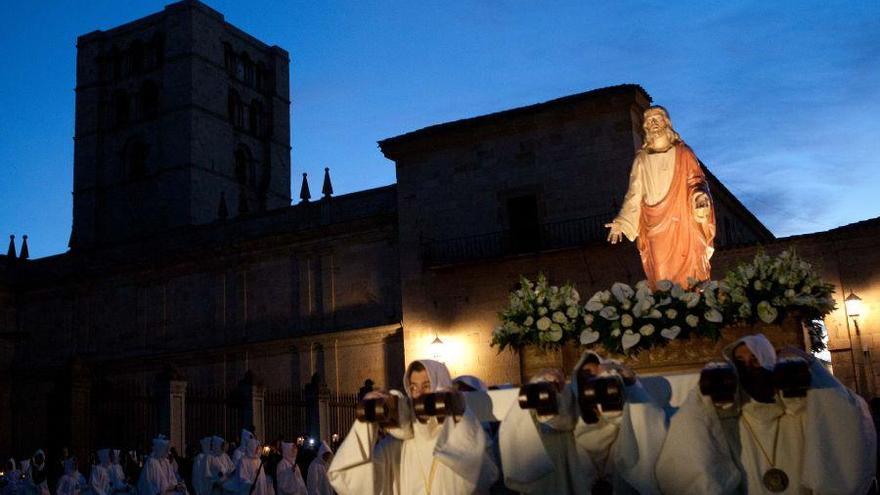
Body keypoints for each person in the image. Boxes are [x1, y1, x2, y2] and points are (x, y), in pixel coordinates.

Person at [656, 333, 877, 494]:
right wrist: (704, 389)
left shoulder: (804, 410)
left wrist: (811, 364)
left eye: (755, 360)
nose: (751, 369)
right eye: (741, 364)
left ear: (770, 361)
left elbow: (847, 415)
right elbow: (688, 440)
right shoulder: (729, 417)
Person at [328, 359, 498, 494]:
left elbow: (484, 477)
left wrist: (458, 412)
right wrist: (366, 422)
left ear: (442, 387)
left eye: (426, 386)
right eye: (413, 387)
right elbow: (349, 481)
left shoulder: (462, 436)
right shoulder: (397, 445)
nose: (419, 394)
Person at [605, 105, 716, 288]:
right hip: (654, 225)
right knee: (661, 276)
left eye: (657, 118)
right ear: (645, 127)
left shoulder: (684, 153)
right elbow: (634, 192)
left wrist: (698, 195)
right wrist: (622, 221)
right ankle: (666, 310)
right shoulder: (641, 159)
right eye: (649, 121)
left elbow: (696, 180)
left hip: (682, 221)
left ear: (667, 123)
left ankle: (693, 307)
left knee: (690, 275)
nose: (653, 123)